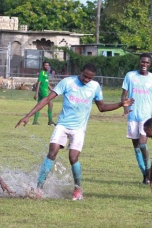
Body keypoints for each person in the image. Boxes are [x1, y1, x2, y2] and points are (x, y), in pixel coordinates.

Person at [15, 63, 134, 200]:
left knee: (73, 157)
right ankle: (39, 188)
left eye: (90, 78)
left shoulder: (95, 87)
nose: (86, 80)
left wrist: (121, 104)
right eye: (85, 76)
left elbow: (102, 107)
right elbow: (47, 99)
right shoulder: (68, 82)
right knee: (52, 153)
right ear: (81, 71)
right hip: (62, 126)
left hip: (79, 129)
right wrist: (28, 115)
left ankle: (77, 189)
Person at [121, 53, 152, 184]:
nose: (144, 65)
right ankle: (145, 173)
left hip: (146, 117)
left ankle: (148, 172)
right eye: (143, 62)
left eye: (147, 63)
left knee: (143, 145)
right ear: (139, 62)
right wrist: (125, 107)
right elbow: (124, 94)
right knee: (136, 147)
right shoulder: (130, 76)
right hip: (133, 115)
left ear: (150, 64)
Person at [33, 62, 56, 126]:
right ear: (43, 66)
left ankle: (35, 121)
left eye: (48, 65)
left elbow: (47, 83)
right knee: (50, 104)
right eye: (45, 65)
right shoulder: (42, 72)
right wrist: (36, 93)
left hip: (44, 91)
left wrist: (52, 90)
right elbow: (39, 82)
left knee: (39, 105)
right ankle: (50, 121)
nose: (47, 66)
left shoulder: (46, 73)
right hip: (43, 91)